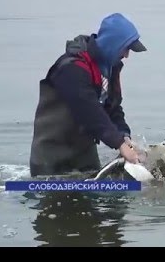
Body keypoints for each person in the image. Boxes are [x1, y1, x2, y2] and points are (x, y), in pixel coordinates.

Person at [29, 13, 145, 177]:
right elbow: (88, 110)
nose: (127, 55)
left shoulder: (110, 69)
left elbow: (113, 108)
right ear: (113, 44)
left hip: (84, 155)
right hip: (51, 156)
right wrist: (119, 144)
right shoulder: (72, 68)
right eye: (126, 48)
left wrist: (125, 136)